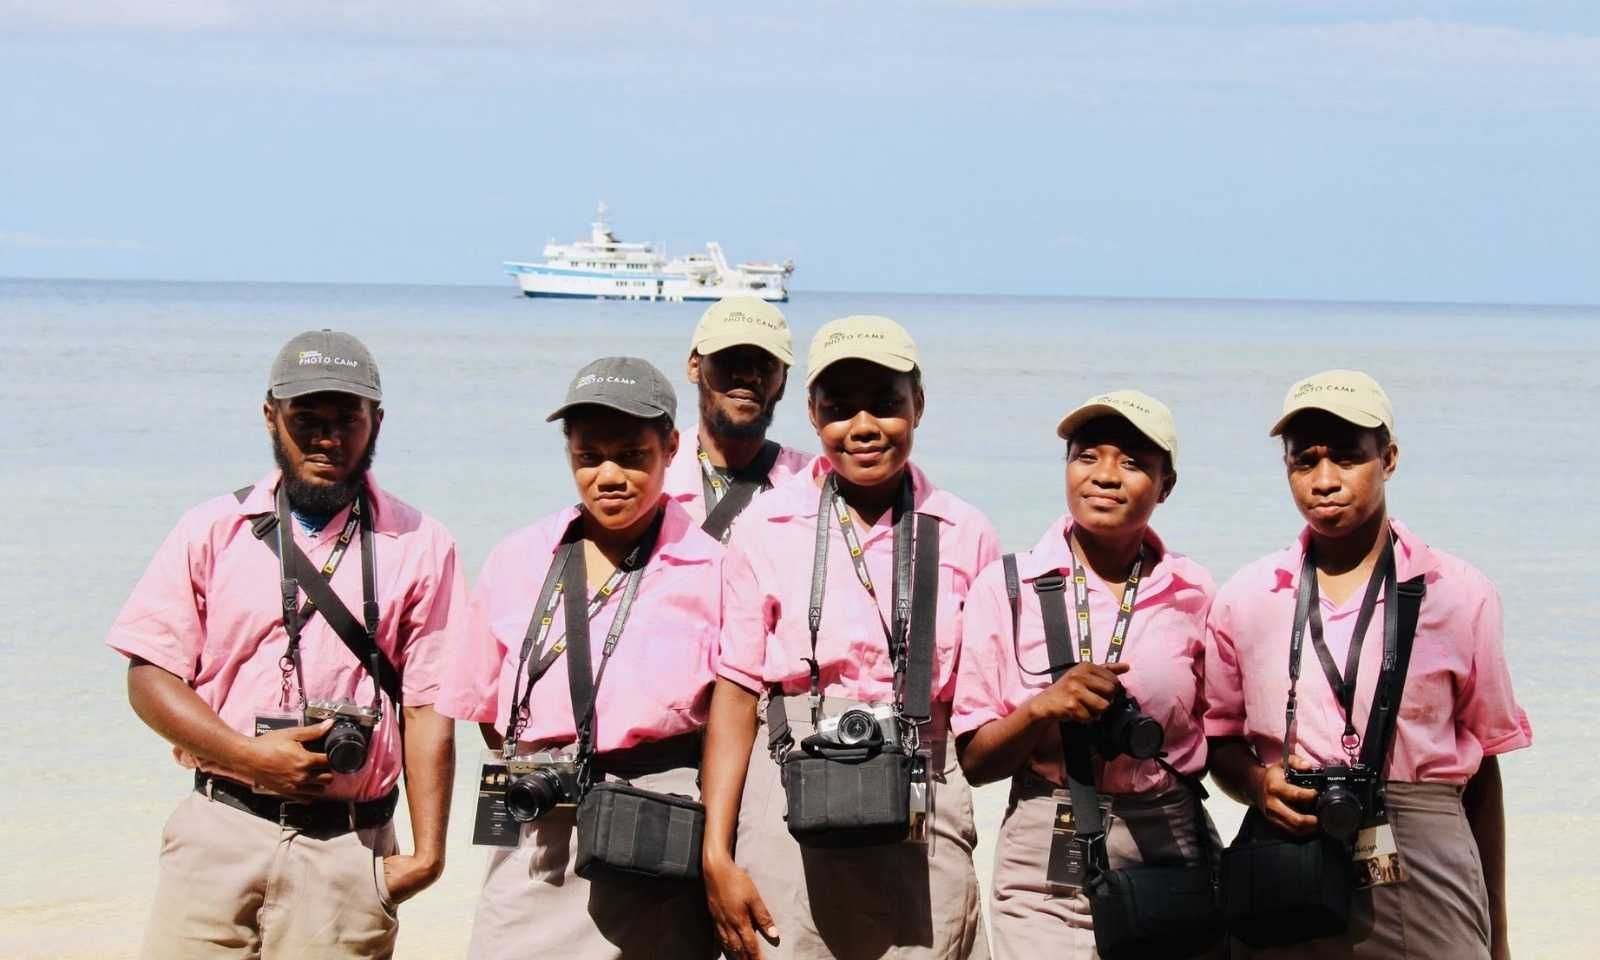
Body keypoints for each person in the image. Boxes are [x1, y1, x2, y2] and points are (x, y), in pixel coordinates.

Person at [106, 329, 464, 959]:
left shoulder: (422, 543)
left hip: (350, 848)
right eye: (307, 419)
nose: (327, 437)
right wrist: (250, 758)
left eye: (346, 419)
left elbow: (430, 704)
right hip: (219, 833)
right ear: (271, 415)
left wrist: (428, 855)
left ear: (376, 421)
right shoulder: (213, 529)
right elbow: (149, 676)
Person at [1205, 369, 1533, 959]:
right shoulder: (1248, 596)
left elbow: (1483, 769)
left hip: (1422, 843)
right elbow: (1218, 741)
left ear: (1389, 459)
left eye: (1348, 458)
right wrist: (1257, 784)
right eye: (1305, 461)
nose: (1324, 481)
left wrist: (1499, 935)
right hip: (1293, 847)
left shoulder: (1458, 592)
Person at [701, 315, 999, 960]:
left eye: (886, 405)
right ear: (812, 415)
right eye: (839, 409)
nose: (863, 427)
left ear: (918, 404)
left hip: (922, 790)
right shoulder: (765, 525)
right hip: (787, 784)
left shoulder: (963, 530)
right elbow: (734, 694)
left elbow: (980, 711)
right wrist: (717, 853)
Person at [437, 356, 724, 959]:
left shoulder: (714, 570)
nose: (610, 475)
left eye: (633, 454)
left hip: (655, 832)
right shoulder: (519, 558)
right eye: (589, 457)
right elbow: (490, 713)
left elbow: (730, 725)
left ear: (672, 447)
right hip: (540, 823)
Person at [952, 390, 1221, 960]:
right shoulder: (1008, 587)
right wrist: (1042, 708)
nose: (1105, 476)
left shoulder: (1195, 591)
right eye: (1087, 456)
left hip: (1164, 844)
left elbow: (1222, 735)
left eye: (1132, 463)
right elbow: (975, 763)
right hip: (1045, 847)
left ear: (1166, 485)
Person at [662, 296, 810, 543]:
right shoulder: (655, 479)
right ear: (694, 366)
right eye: (730, 358)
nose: (748, 375)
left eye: (765, 363)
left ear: (783, 382)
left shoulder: (810, 483)